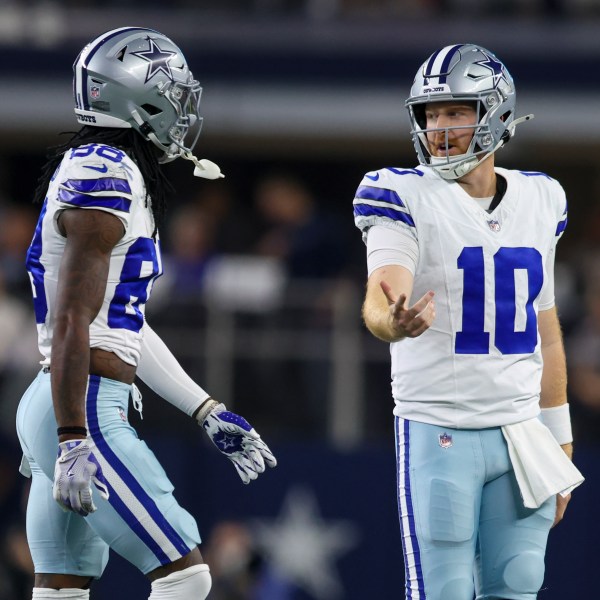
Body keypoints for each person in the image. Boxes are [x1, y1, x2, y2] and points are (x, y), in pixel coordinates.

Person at [16, 27, 276, 600]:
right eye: (175, 93)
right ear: (140, 97)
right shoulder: (104, 174)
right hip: (80, 405)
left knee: (62, 588)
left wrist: (204, 408)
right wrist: (73, 437)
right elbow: (72, 322)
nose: (184, 108)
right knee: (186, 578)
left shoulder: (106, 168)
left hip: (61, 398)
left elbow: (122, 324)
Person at [353, 43, 583, 599]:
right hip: (440, 428)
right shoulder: (400, 192)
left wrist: (560, 435)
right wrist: (393, 321)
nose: (440, 127)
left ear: (496, 113)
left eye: (456, 111)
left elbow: (545, 331)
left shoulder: (542, 197)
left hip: (521, 430)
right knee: (443, 592)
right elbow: (381, 297)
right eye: (430, 114)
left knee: (518, 585)